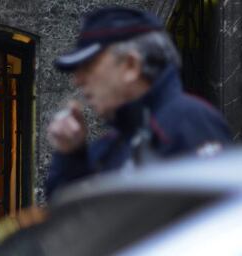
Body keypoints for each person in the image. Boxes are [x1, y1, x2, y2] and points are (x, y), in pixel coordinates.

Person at [46, 7, 232, 196]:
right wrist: (71, 157)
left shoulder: (189, 121)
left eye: (88, 66)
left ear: (131, 66)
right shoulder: (112, 145)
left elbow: (218, 216)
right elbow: (77, 219)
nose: (77, 80)